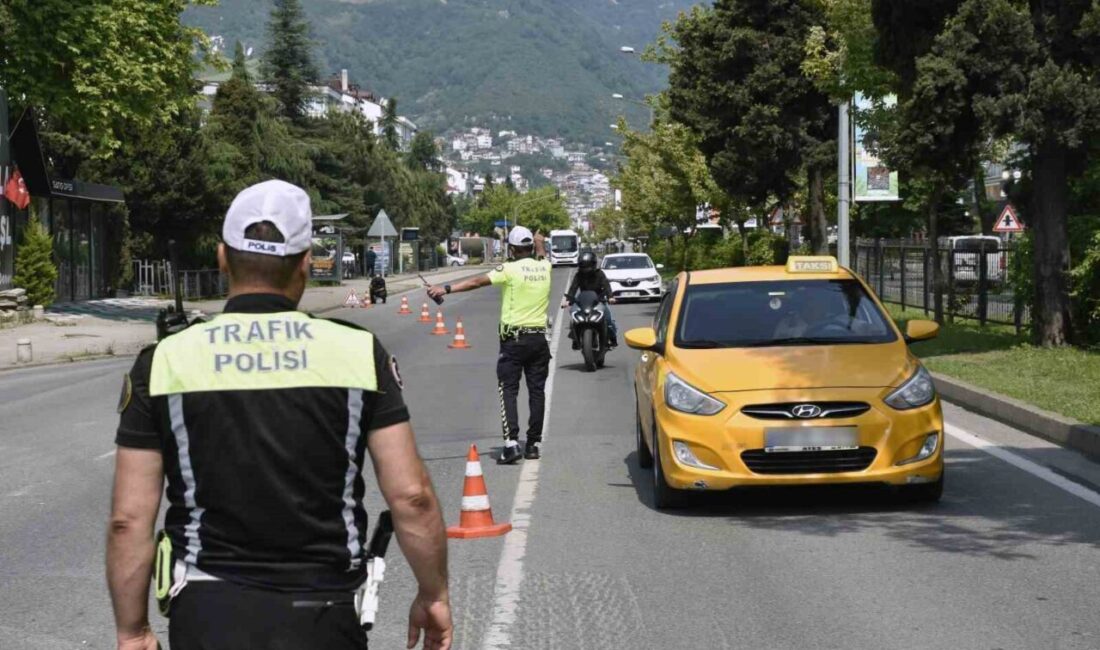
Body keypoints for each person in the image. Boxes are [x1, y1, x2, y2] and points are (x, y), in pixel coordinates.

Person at [106, 180, 452, 650]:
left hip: (208, 613)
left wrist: (132, 630)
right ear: (307, 262)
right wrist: (433, 594)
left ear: (222, 257)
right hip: (323, 612)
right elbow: (411, 497)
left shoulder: (164, 360)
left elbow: (129, 519)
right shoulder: (356, 351)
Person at [427, 226, 551, 464]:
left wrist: (446, 288)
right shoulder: (545, 268)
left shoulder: (509, 269)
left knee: (509, 390)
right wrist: (540, 241)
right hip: (538, 340)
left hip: (513, 341)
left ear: (513, 249)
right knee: (537, 392)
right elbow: (542, 253)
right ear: (530, 247)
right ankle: (533, 445)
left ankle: (511, 444)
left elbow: (477, 281)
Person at [561, 250, 618, 348]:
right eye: (583, 266)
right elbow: (573, 288)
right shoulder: (578, 275)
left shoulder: (600, 274)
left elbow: (606, 285)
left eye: (588, 266)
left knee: (609, 320)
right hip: (583, 301)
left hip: (599, 301)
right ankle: (576, 338)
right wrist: (568, 300)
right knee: (573, 315)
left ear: (593, 264)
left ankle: (612, 339)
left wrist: (610, 297)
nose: (586, 269)